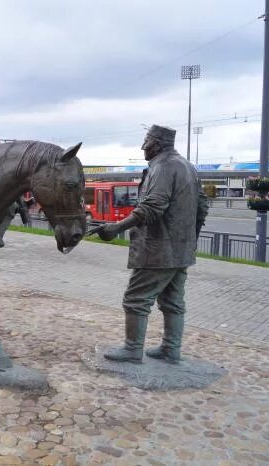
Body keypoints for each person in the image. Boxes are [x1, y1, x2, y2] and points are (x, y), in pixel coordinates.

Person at [97, 125, 209, 364]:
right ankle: (171, 349)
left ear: (156, 144)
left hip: (158, 249)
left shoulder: (163, 167)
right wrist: (189, 240)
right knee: (173, 301)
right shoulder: (188, 167)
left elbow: (152, 207)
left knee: (136, 299)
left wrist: (116, 228)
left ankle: (132, 349)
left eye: (145, 142)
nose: (142, 148)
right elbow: (202, 207)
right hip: (181, 250)